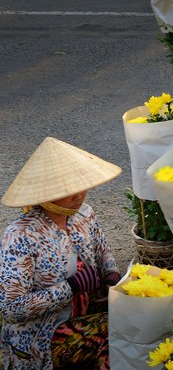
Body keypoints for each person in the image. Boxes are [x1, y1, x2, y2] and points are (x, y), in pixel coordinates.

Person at [0, 137, 123, 370]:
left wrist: (111, 275)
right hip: (42, 335)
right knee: (118, 330)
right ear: (46, 194)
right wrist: (70, 288)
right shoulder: (20, 236)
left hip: (86, 312)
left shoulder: (84, 214)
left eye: (80, 186)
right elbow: (12, 308)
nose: (79, 195)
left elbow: (103, 252)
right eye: (67, 191)